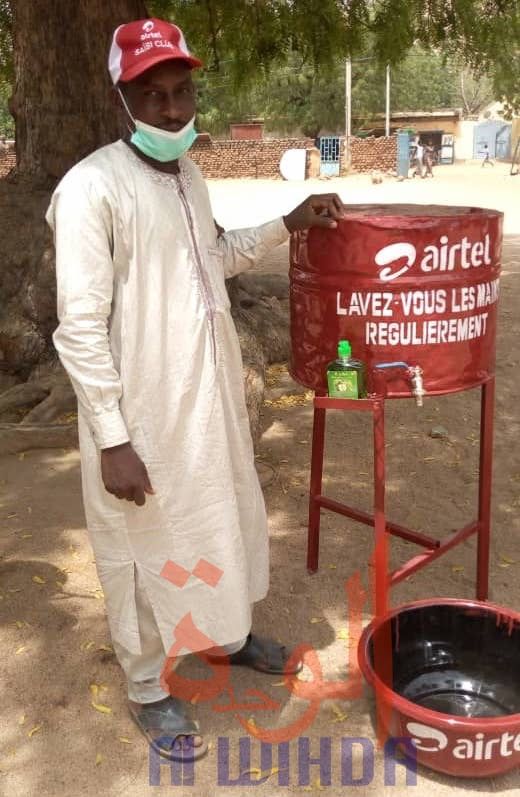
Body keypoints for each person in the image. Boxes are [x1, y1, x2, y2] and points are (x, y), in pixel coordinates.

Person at [46, 18, 345, 763]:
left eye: (184, 92)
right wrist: (112, 437)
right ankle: (148, 685)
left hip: (206, 404)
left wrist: (287, 221)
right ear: (123, 97)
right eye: (156, 96)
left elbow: (217, 258)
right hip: (139, 415)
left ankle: (221, 635)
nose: (176, 111)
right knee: (139, 543)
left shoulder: (188, 175)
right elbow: (79, 327)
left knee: (217, 515)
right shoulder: (90, 190)